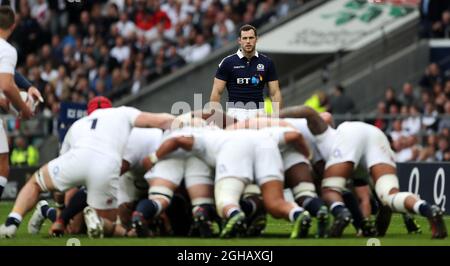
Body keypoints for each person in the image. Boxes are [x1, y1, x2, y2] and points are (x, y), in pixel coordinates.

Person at [0, 96, 175, 238]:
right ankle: (93, 220)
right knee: (107, 227)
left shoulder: (77, 124)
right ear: (110, 108)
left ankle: (12, 222)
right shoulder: (122, 113)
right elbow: (161, 120)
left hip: (77, 160)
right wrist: (183, 121)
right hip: (107, 166)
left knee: (36, 183)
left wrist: (62, 209)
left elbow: (63, 174)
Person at [280, 105, 447, 239]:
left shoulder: (325, 137)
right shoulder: (355, 169)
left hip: (351, 133)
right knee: (389, 195)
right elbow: (384, 209)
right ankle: (428, 210)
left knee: (330, 189)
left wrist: (275, 115)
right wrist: (376, 232)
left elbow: (308, 111)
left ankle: (341, 214)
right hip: (376, 135)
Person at [0, 6, 40, 201]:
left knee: (3, 162)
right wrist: (23, 109)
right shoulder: (7, 50)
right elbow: (6, 85)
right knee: (2, 165)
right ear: (13, 26)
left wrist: (28, 86)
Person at [209, 24, 282, 121]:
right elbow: (217, 92)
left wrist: (278, 117)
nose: (248, 41)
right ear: (239, 40)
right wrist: (216, 119)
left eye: (251, 38)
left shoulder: (267, 62)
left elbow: (275, 93)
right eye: (245, 38)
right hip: (235, 113)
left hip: (259, 112)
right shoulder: (227, 62)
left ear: (256, 39)